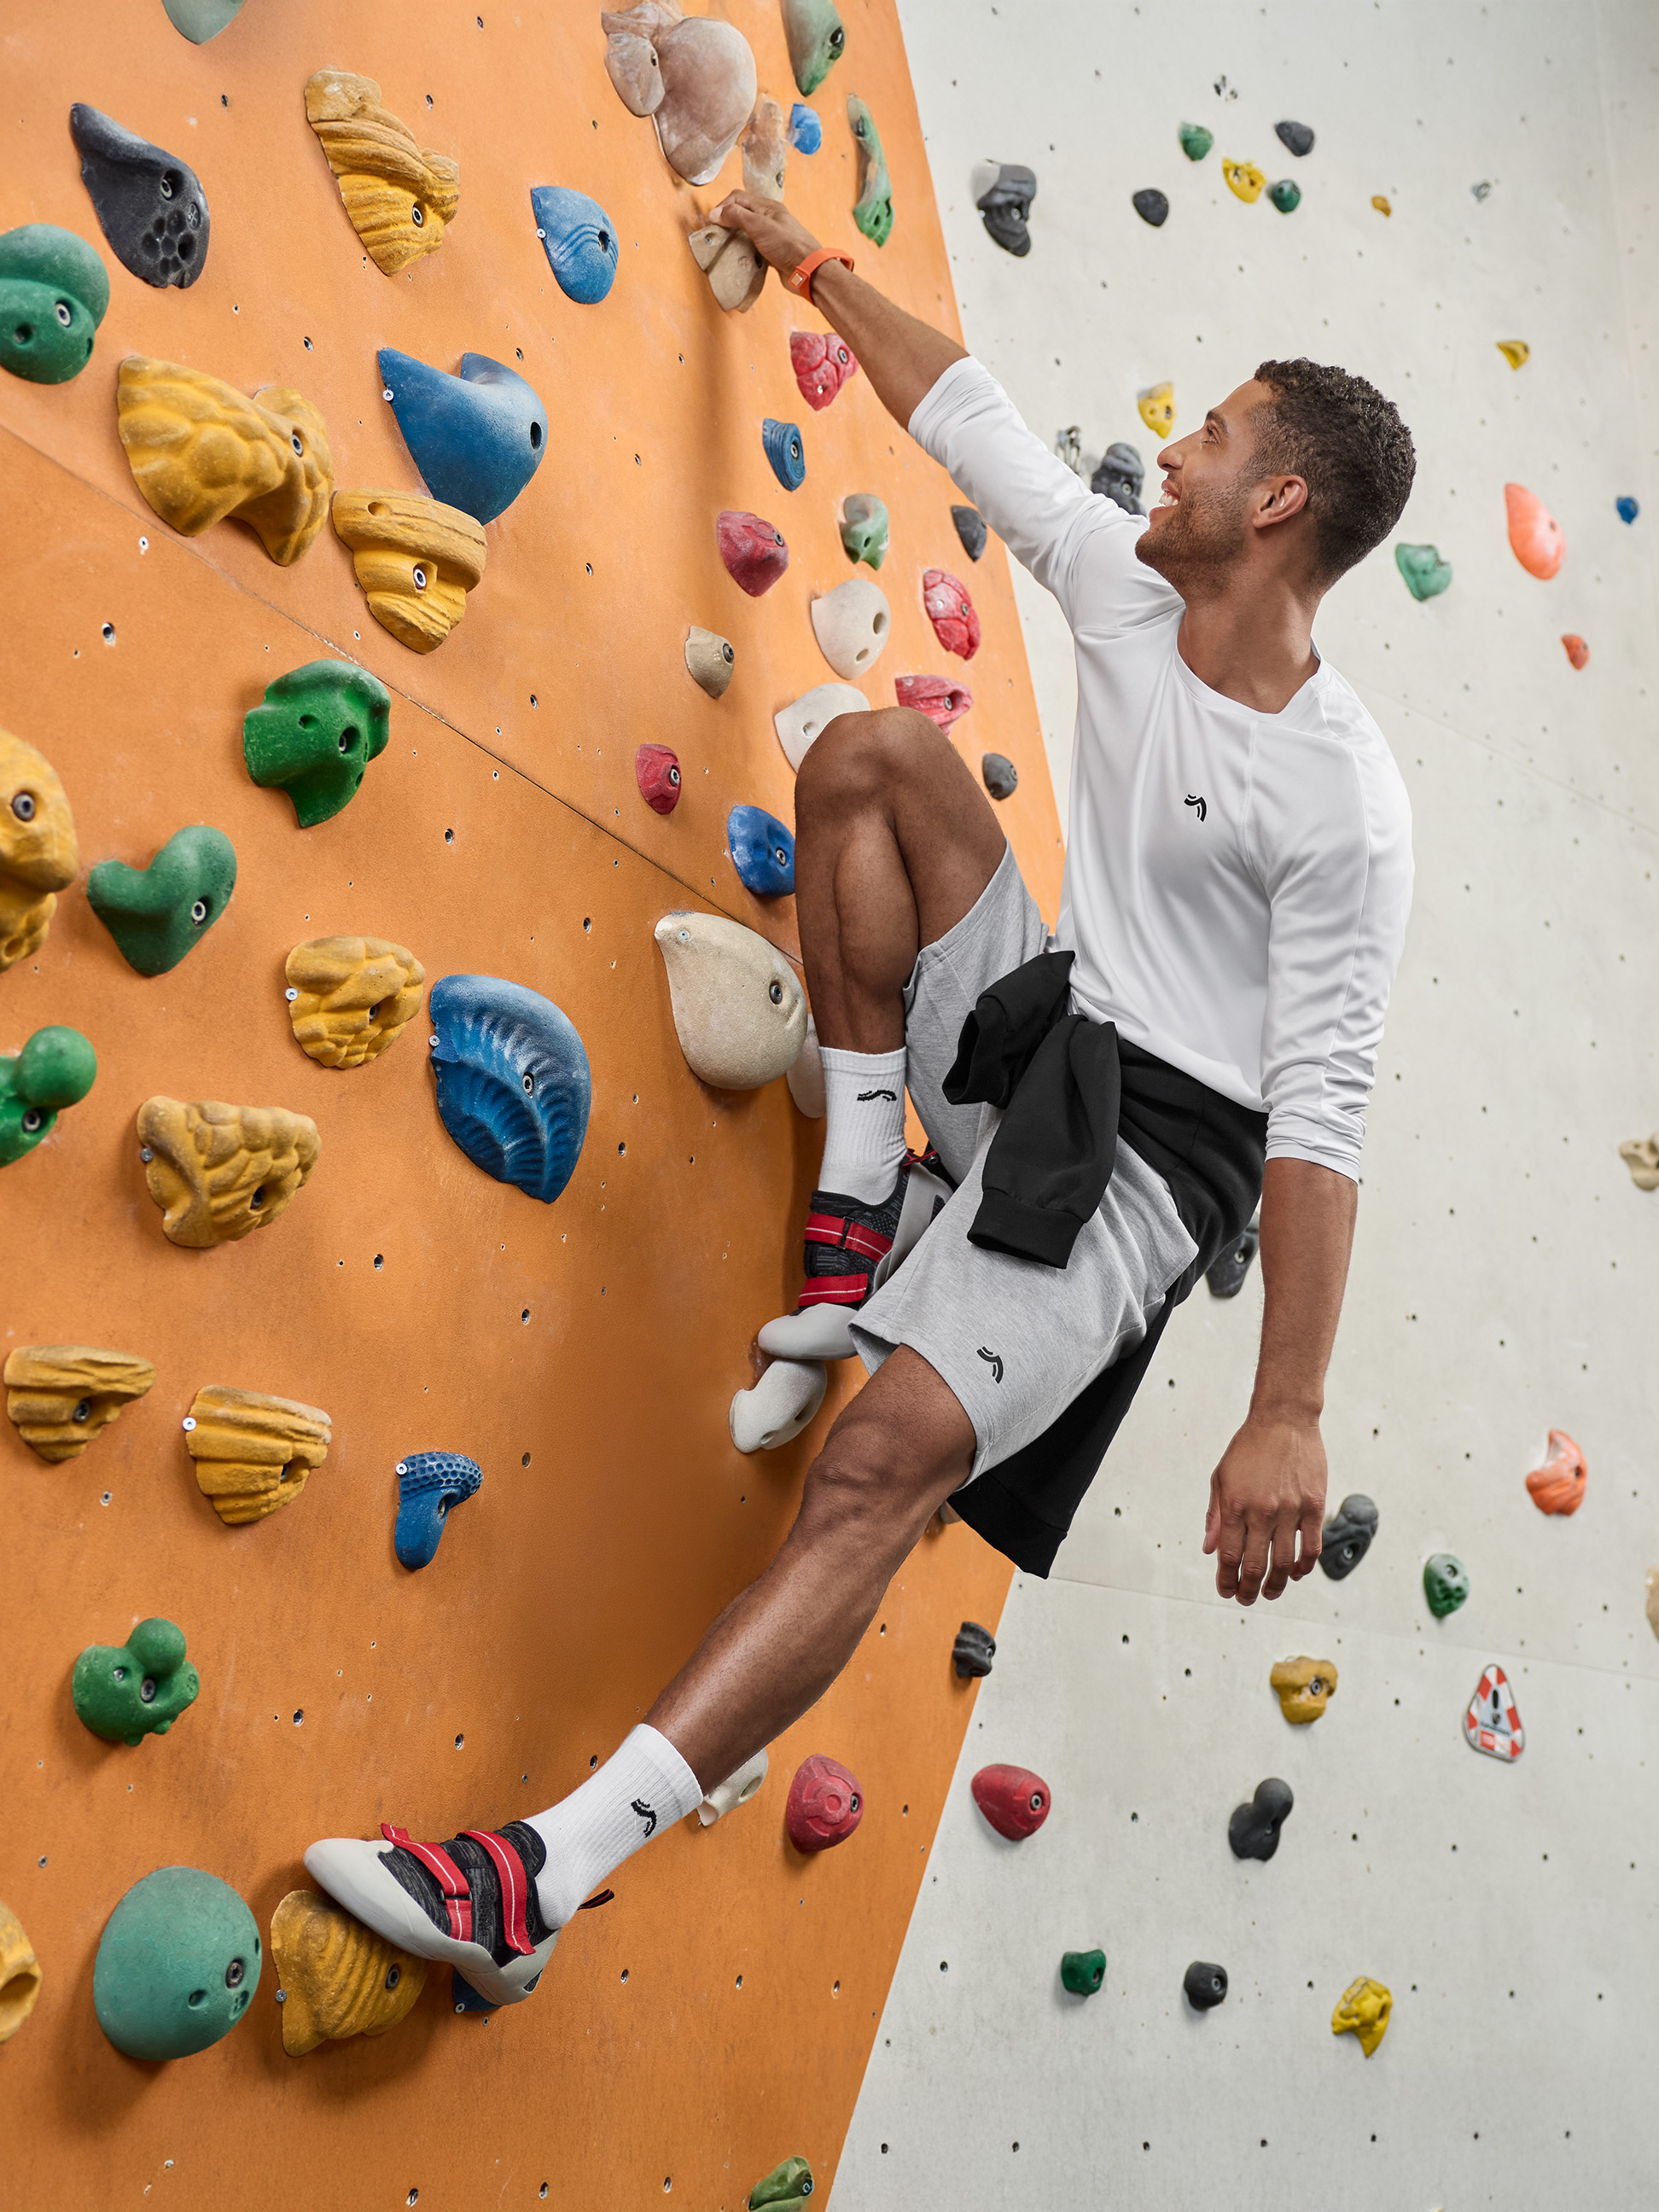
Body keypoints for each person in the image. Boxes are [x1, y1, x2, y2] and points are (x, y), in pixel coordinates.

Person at [304, 196, 1417, 2007]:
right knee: (874, 755)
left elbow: (1320, 1120)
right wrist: (808, 259)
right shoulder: (1141, 592)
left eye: (1212, 435)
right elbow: (967, 414)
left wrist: (1288, 1406)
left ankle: (536, 1883)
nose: (1172, 447)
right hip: (1045, 1038)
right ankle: (861, 1196)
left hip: (1147, 1168)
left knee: (878, 1470)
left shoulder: (1346, 807)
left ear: (1276, 505)